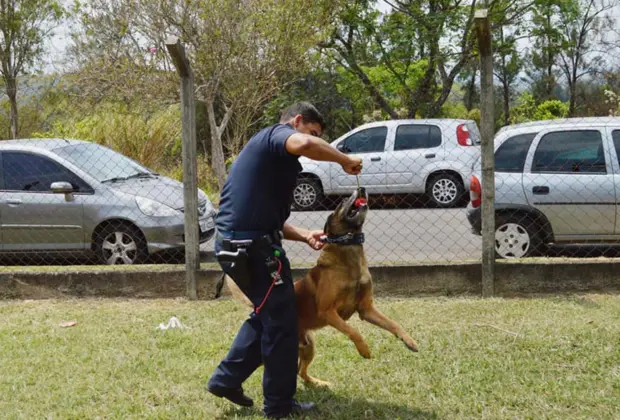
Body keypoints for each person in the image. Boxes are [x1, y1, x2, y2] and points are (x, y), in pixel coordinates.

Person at [206, 102, 362, 418]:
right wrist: (344, 160)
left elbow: (265, 218)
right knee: (282, 323)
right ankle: (279, 407)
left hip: (243, 243)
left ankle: (225, 380)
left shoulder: (272, 159)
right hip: (251, 249)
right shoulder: (279, 135)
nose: (313, 141)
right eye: (314, 132)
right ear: (297, 121)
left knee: (268, 315)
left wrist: (304, 234)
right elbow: (302, 142)